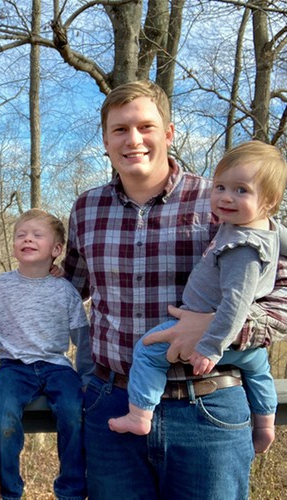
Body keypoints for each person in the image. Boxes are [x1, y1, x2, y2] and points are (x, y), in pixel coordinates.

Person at [63, 80, 287, 500]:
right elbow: (65, 295)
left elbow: (282, 290)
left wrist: (223, 327)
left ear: (168, 133)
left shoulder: (222, 199)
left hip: (208, 407)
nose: (133, 140)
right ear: (105, 141)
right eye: (120, 129)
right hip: (112, 406)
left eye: (146, 127)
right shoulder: (86, 209)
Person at [108, 140, 286, 455]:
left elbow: (236, 304)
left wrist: (209, 345)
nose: (226, 197)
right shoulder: (262, 227)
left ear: (269, 201)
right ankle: (265, 424)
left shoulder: (242, 249)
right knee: (258, 368)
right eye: (220, 187)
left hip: (209, 337)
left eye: (241, 190)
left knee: (147, 350)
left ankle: (139, 415)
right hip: (237, 345)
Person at [0, 209, 88, 500]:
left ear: (56, 249)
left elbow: (82, 338)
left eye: (36, 235)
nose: (27, 239)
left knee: (73, 411)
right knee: (3, 416)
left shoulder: (65, 290)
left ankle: (71, 490)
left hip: (57, 365)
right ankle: (9, 491)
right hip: (13, 367)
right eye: (21, 235)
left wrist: (87, 377)